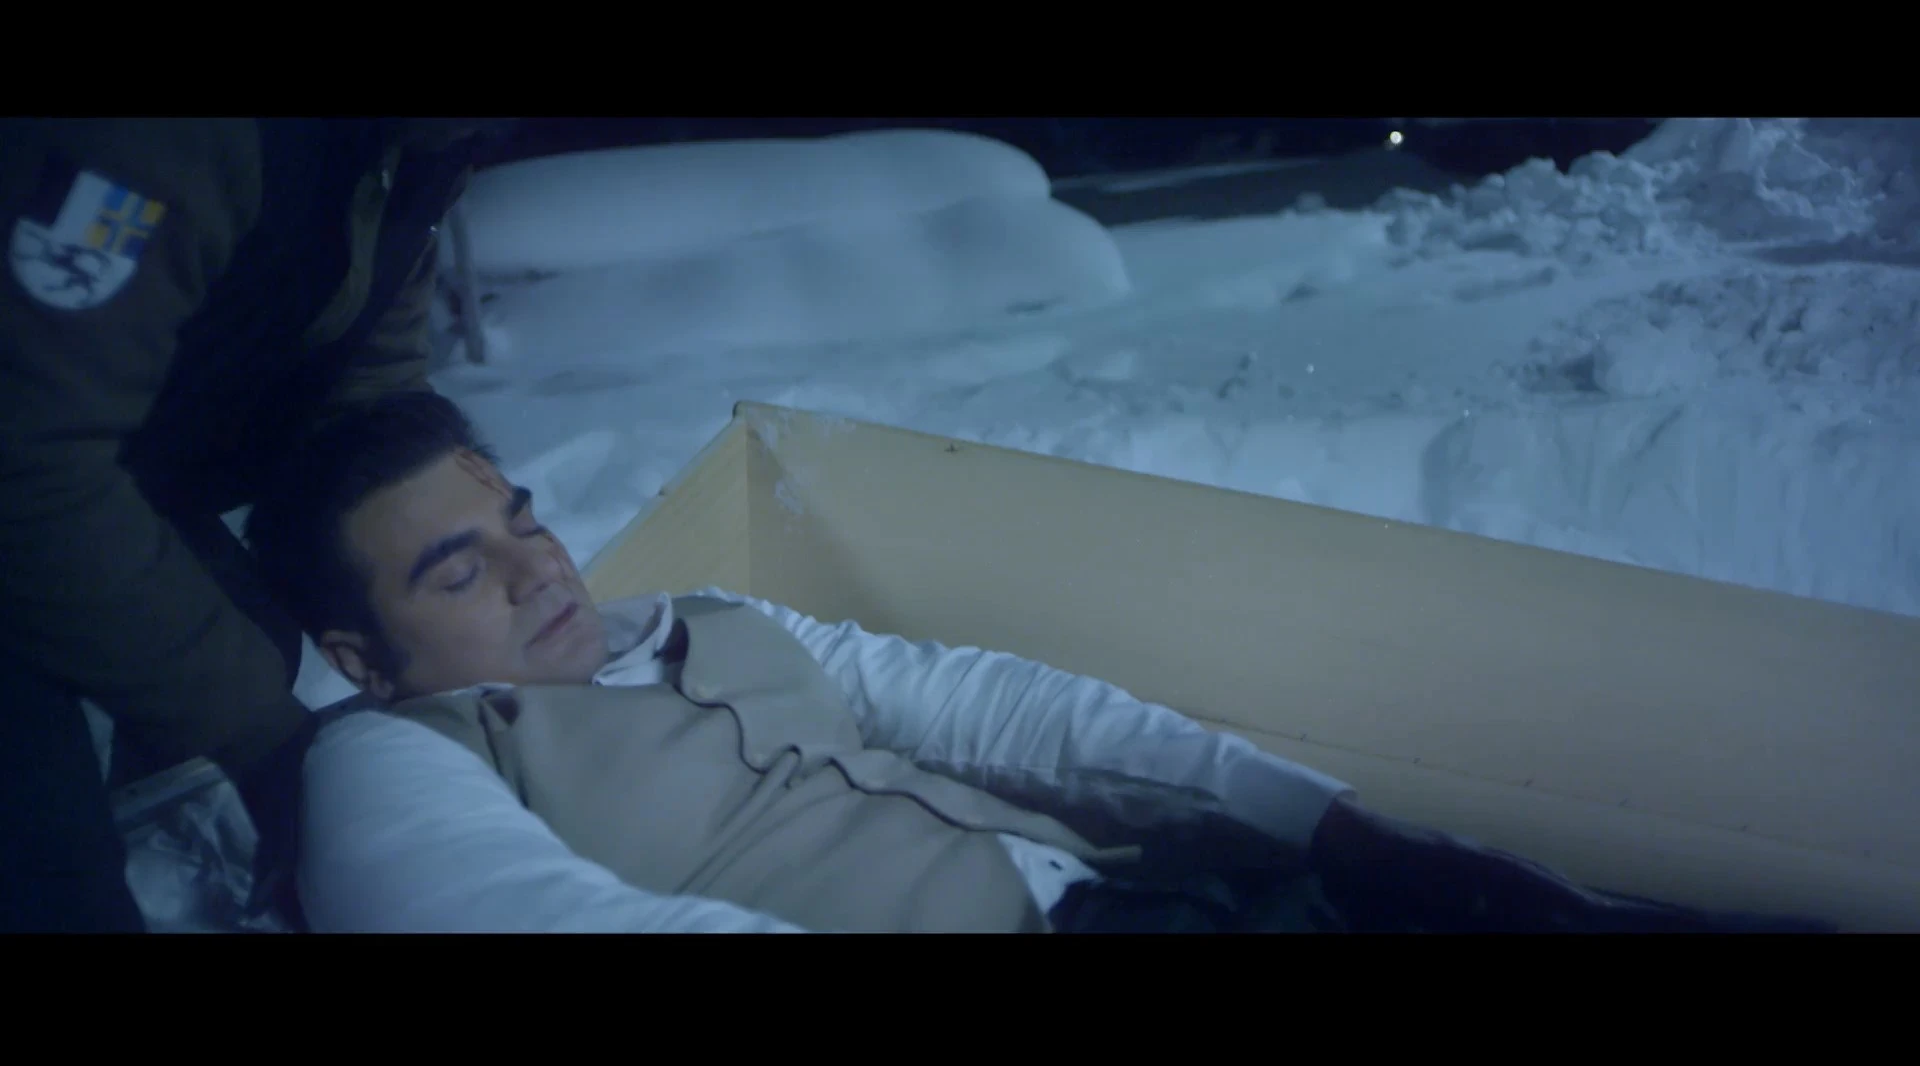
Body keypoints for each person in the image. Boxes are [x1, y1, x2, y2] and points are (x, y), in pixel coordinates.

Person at [244, 392, 1833, 933]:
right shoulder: (395, 758)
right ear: (360, 658)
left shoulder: (705, 619)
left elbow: (1009, 714)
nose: (540, 568)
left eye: (522, 519)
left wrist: (1319, 821)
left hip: (1167, 898)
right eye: (460, 569)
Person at [0, 117, 511, 932]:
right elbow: (29, 464)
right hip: (40, 481)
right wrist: (259, 736)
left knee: (255, 654)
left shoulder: (424, 144)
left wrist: (461, 552)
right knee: (56, 878)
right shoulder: (160, 143)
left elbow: (369, 384)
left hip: (123, 472)